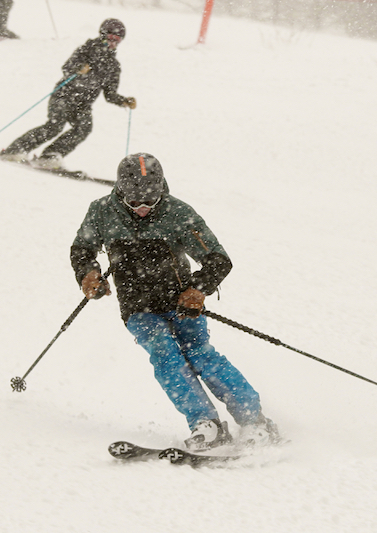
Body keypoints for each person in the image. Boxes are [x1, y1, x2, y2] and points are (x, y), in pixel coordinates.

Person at [70, 153, 282, 452]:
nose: (142, 209)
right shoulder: (102, 211)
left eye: (150, 200)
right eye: (133, 201)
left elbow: (218, 260)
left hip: (180, 300)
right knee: (164, 354)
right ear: (120, 191)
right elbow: (82, 249)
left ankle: (254, 422)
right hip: (137, 306)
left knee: (199, 353)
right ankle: (205, 425)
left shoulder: (178, 213)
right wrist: (89, 274)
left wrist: (198, 289)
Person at [0, 19, 137, 168]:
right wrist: (79, 68)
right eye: (110, 38)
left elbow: (110, 94)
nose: (113, 43)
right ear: (102, 36)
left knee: (84, 128)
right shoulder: (87, 50)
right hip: (64, 95)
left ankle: (51, 155)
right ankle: (16, 149)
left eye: (117, 40)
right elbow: (67, 67)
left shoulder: (113, 66)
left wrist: (123, 101)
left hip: (83, 103)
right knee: (54, 126)